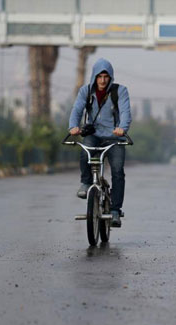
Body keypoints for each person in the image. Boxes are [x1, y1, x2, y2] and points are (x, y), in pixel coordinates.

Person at [68, 58, 132, 227]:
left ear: (110, 77)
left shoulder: (120, 91)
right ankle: (86, 182)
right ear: (94, 77)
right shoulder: (86, 91)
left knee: (117, 171)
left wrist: (122, 128)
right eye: (99, 76)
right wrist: (73, 126)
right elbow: (77, 109)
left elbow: (125, 112)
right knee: (85, 151)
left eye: (106, 76)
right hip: (94, 135)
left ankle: (115, 210)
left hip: (115, 137)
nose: (103, 80)